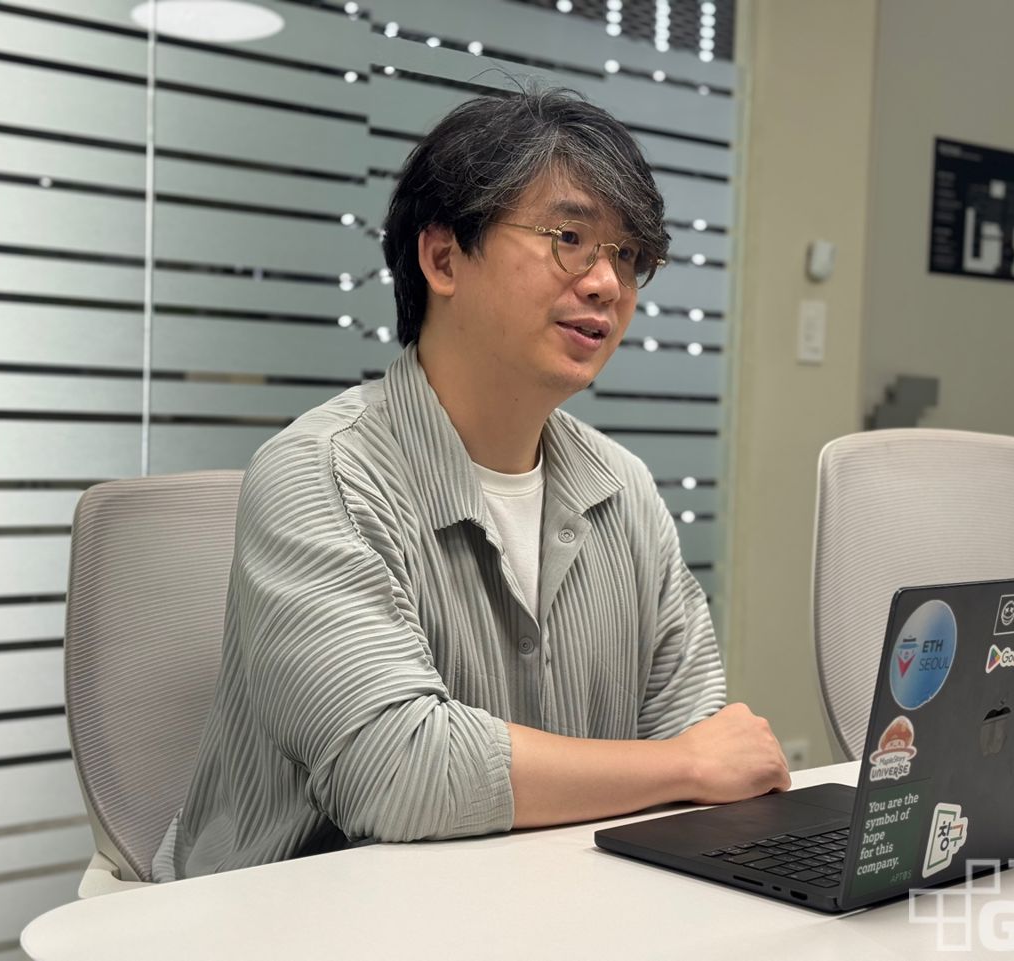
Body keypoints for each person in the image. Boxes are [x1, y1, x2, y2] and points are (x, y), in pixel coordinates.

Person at [154, 85, 789, 881]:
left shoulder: (622, 490)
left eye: (627, 255)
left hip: (551, 909)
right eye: (569, 238)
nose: (606, 282)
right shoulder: (322, 473)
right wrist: (684, 764)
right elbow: (398, 773)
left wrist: (694, 765)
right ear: (443, 258)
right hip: (303, 918)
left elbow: (704, 758)